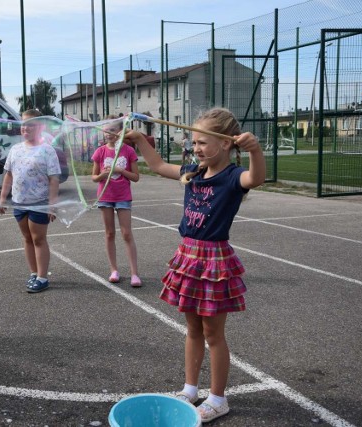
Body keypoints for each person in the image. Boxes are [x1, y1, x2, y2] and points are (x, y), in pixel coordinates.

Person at [123, 108, 266, 423]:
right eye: (194, 141)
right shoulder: (194, 172)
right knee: (191, 329)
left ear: (227, 143)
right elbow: (158, 165)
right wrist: (138, 141)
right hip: (187, 256)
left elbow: (256, 178)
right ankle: (190, 388)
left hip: (213, 260)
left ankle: (217, 398)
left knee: (213, 333)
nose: (196, 147)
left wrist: (255, 149)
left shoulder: (231, 178)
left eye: (203, 142)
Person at [0, 109, 61, 293]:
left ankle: (42, 277)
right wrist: (3, 198)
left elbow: (54, 179)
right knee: (27, 238)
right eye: (23, 124)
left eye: (30, 124)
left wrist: (52, 204)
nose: (25, 128)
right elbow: (8, 176)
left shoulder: (47, 150)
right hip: (19, 202)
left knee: (38, 239)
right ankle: (33, 272)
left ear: (39, 127)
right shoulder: (15, 149)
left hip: (39, 202)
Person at [91, 116, 141, 287]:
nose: (107, 133)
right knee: (109, 233)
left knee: (126, 233)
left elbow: (136, 177)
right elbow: (94, 177)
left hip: (123, 196)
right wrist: (103, 175)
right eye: (106, 130)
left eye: (112, 130)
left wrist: (120, 170)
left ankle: (134, 273)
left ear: (120, 132)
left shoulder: (128, 151)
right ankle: (114, 270)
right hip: (105, 196)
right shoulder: (100, 152)